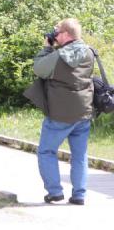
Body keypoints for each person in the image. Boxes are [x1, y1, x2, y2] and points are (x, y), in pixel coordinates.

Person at [32, 18, 93, 205]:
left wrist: (47, 48)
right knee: (80, 155)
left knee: (46, 151)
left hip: (60, 113)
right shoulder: (90, 52)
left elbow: (39, 68)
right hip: (83, 111)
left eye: (57, 32)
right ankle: (79, 195)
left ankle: (55, 192)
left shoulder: (58, 56)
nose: (54, 35)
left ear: (66, 34)